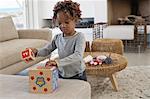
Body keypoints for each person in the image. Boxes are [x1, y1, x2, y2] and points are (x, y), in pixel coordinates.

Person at [30, 0, 87, 81]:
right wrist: (36, 52)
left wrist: (57, 62)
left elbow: (77, 56)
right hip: (62, 73)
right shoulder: (57, 37)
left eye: (67, 22)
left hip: (77, 74)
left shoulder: (79, 37)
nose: (63, 26)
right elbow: (47, 50)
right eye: (60, 23)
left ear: (75, 21)